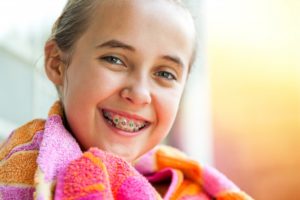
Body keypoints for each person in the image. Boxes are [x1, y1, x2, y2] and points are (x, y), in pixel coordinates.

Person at [0, 0, 253, 199]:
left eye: (165, 74)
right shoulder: (22, 172)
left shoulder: (187, 187)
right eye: (115, 60)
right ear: (57, 63)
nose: (140, 93)